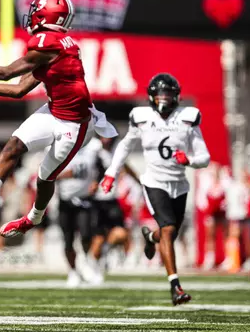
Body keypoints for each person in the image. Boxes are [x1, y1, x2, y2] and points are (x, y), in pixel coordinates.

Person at [0, 0, 117, 236]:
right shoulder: (54, 46)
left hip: (75, 125)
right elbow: (20, 89)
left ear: (48, 14)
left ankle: (33, 218)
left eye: (37, 10)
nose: (32, 15)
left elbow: (7, 73)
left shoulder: (48, 43)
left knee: (44, 179)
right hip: (54, 110)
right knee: (13, 146)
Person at [101, 73, 210, 305]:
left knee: (168, 233)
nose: (164, 99)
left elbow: (205, 157)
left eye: (168, 94)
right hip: (154, 181)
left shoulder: (187, 118)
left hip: (179, 184)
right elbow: (125, 146)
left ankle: (151, 237)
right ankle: (175, 287)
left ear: (176, 96)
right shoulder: (141, 117)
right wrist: (111, 173)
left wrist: (189, 160)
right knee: (169, 230)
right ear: (151, 96)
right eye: (160, 94)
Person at [55, 137, 102, 287]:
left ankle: (86, 262)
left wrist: (96, 182)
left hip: (84, 199)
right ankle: (73, 271)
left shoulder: (93, 147)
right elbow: (46, 173)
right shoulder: (58, 147)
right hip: (66, 200)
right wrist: (64, 174)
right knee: (68, 239)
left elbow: (101, 168)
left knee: (86, 234)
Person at [88, 136, 134, 279]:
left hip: (112, 199)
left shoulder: (116, 152)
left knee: (121, 233)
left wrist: (140, 182)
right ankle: (93, 267)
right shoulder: (93, 150)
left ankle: (106, 252)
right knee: (98, 238)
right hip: (96, 200)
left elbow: (126, 167)